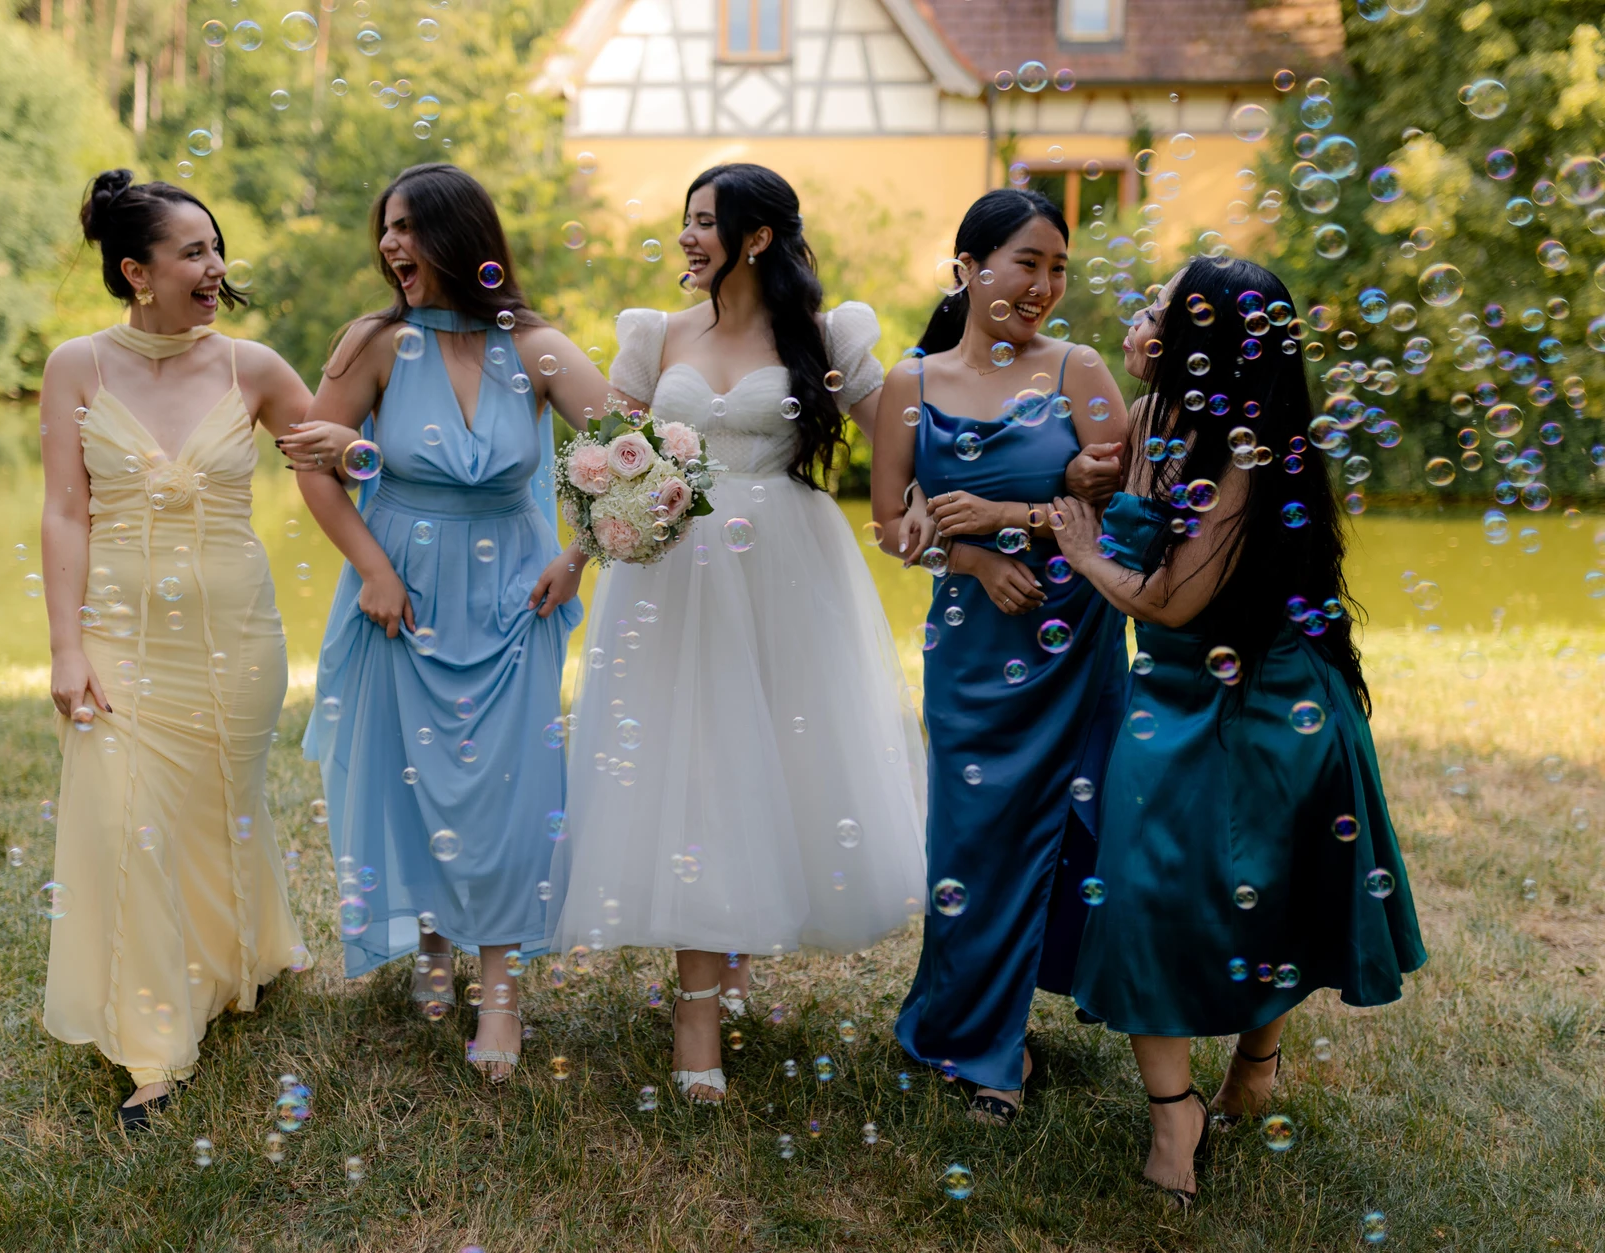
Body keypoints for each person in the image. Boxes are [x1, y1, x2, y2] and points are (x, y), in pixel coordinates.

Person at [549, 163, 927, 1105]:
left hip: (786, 567)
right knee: (694, 766)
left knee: (774, 757)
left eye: (704, 221)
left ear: (756, 237)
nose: (686, 236)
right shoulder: (657, 335)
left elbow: (897, 438)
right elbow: (615, 465)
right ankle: (696, 1019)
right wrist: (577, 555)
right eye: (684, 220)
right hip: (672, 576)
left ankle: (739, 945)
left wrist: (936, 506)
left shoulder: (826, 337)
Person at [1052, 256, 1427, 1206]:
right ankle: (1172, 1114)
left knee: (1278, 885)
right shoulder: (1152, 417)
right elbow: (1114, 503)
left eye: (1157, 310)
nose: (1137, 322)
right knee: (1141, 892)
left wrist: (1085, 553)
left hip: (1265, 698)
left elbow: (1170, 600)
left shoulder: (1248, 454)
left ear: (1201, 341)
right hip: (1170, 692)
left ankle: (1256, 1063)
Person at [277, 164, 603, 1082]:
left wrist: (578, 553)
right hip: (403, 592)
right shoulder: (375, 343)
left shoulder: (537, 347)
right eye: (386, 228)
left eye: (410, 227)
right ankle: (431, 937)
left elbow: (638, 457)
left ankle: (499, 989)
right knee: (413, 774)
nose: (391, 244)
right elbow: (309, 463)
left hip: (513, 597)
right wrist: (373, 570)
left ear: (461, 238)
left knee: (507, 790)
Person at [39, 169, 315, 1130]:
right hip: (117, 634)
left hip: (237, 637)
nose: (215, 267)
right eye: (193, 252)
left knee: (213, 814)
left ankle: (236, 954)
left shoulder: (255, 368)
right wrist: (65, 646)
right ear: (136, 271)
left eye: (217, 248)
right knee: (123, 823)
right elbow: (64, 510)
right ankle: (155, 1046)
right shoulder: (76, 366)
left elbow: (335, 460)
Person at [868, 188, 1128, 1125]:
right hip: (974, 645)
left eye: (1058, 268)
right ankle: (964, 1022)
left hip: (1074, 639)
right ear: (969, 269)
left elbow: (1133, 512)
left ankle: (1004, 1047)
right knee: (971, 839)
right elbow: (892, 524)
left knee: (1078, 828)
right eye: (1028, 262)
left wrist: (1012, 515)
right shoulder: (912, 383)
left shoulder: (1078, 368)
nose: (1045, 285)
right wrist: (973, 558)